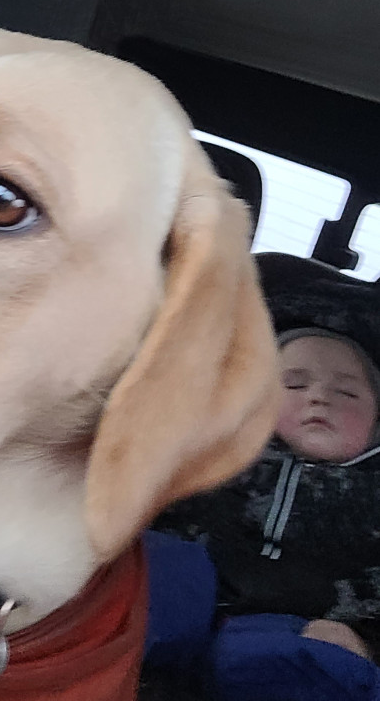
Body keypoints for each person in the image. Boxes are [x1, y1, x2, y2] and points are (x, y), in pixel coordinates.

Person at [150, 252, 380, 701]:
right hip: (183, 602)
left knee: (305, 661)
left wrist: (366, 641)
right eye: (293, 384)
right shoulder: (214, 449)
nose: (319, 397)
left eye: (346, 392)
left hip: (292, 631)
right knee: (161, 571)